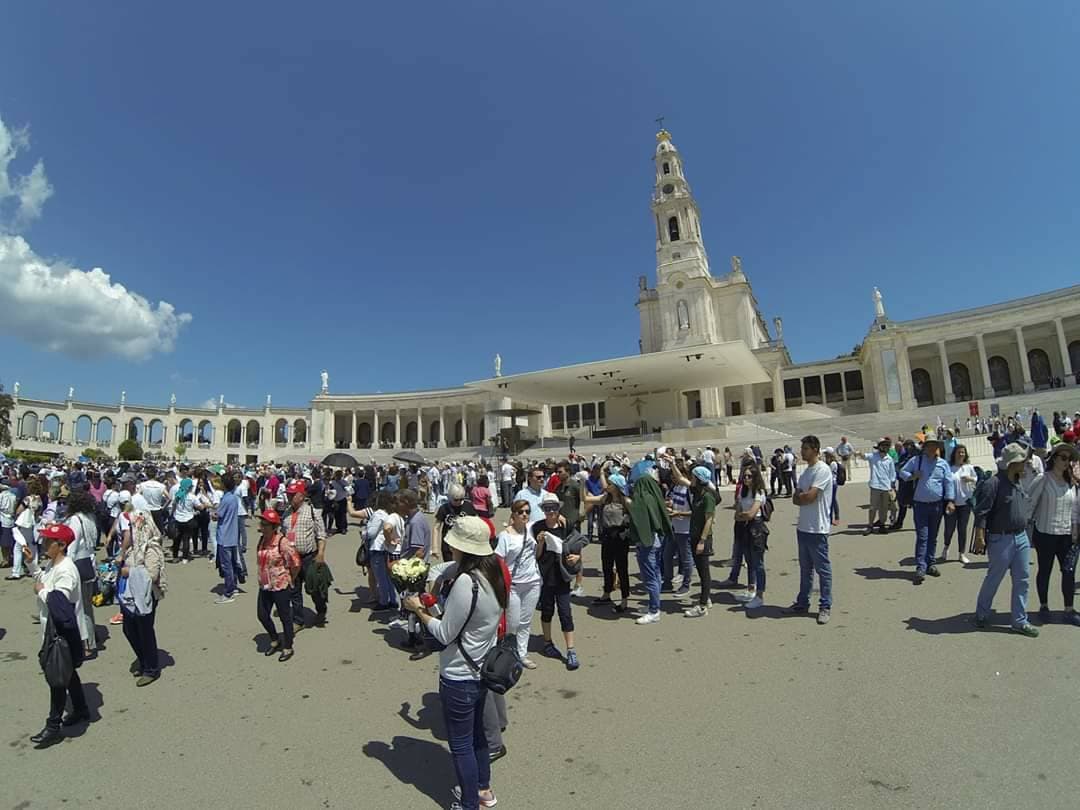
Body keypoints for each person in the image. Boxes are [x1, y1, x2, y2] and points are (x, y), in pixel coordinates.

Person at [402, 515, 506, 810]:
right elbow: (440, 570)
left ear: (463, 549)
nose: (451, 551)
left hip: (460, 674)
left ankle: (470, 803)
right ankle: (484, 791)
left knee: (461, 745)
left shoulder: (466, 582)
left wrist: (419, 611)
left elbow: (445, 633)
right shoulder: (494, 572)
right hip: (482, 667)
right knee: (478, 738)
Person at [25, 523, 90, 748]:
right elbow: (42, 578)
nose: (43, 544)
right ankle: (81, 709)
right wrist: (31, 563)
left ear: (61, 545)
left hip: (61, 633)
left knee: (57, 679)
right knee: (68, 674)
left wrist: (41, 591)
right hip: (52, 630)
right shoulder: (54, 563)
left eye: (48, 541)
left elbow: (59, 604)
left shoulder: (67, 570)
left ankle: (53, 726)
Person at [972, 443, 1039, 637]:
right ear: (1012, 463)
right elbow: (981, 513)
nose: (1025, 462)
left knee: (1023, 580)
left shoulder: (1018, 480)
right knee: (994, 578)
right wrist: (979, 536)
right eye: (1022, 460)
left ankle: (1019, 621)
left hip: (1021, 536)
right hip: (1000, 539)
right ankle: (982, 614)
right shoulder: (993, 483)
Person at [1026, 443, 1080, 626]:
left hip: (1066, 535)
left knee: (1069, 571)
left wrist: (1075, 530)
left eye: (1069, 459)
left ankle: (1069, 609)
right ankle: (1044, 606)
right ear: (1054, 458)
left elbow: (1073, 509)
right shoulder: (1043, 479)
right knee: (1045, 570)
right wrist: (1025, 529)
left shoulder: (1070, 482)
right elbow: (1030, 504)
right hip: (1045, 533)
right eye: (1063, 458)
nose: (1066, 462)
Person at [785, 435, 834, 625]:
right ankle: (802, 602)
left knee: (823, 569)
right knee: (805, 569)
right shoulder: (806, 472)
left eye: (805, 448)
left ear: (815, 450)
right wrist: (801, 496)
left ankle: (825, 605)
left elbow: (809, 497)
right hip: (803, 527)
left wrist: (801, 496)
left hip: (817, 528)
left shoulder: (822, 470)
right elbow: (795, 497)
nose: (802, 451)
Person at [898, 435, 956, 583]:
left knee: (933, 536)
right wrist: (912, 476)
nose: (932, 447)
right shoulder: (916, 461)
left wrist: (950, 501)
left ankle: (930, 563)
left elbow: (948, 483)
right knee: (922, 536)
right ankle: (921, 566)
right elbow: (902, 472)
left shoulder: (942, 464)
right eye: (930, 445)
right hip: (920, 505)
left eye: (935, 445)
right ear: (925, 447)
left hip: (937, 505)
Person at [119, 510, 167, 686]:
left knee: (144, 631)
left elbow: (152, 575)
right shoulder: (132, 547)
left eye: (132, 526)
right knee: (129, 629)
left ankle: (151, 668)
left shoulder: (151, 547)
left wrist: (129, 572)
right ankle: (143, 659)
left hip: (146, 596)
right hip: (130, 596)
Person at [534, 491, 581, 668]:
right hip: (545, 575)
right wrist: (539, 543)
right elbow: (537, 556)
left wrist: (577, 557)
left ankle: (571, 650)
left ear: (558, 509)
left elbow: (577, 543)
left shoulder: (566, 525)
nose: (550, 512)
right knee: (547, 611)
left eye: (553, 508)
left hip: (562, 576)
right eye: (547, 508)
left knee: (565, 612)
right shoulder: (538, 527)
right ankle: (547, 642)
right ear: (543, 510)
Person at [495, 499, 542, 669]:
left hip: (532, 582)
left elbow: (536, 554)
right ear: (513, 514)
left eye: (527, 511)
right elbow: (499, 561)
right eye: (520, 512)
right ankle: (507, 653)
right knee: (512, 623)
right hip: (513, 585)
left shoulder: (531, 531)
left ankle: (522, 654)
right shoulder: (505, 536)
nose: (524, 515)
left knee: (525, 621)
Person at [282, 481, 329, 629]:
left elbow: (321, 535)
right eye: (288, 494)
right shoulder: (286, 513)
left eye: (293, 494)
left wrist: (320, 554)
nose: (289, 497)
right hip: (292, 558)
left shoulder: (313, 512)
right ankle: (298, 620)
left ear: (301, 496)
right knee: (294, 590)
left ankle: (321, 611)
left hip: (309, 556)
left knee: (314, 588)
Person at [628, 468, 672, 626]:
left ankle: (654, 611)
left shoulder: (642, 500)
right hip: (657, 540)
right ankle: (655, 605)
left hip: (647, 542)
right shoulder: (654, 497)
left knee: (650, 578)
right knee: (656, 574)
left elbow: (638, 521)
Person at [255, 509, 300, 661]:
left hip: (280, 585)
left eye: (265, 524)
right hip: (265, 585)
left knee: (285, 617)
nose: (261, 526)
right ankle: (275, 638)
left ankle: (288, 646)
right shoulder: (261, 540)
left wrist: (289, 578)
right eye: (261, 523)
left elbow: (295, 563)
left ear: (273, 527)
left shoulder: (282, 542)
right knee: (262, 615)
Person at [586, 473, 633, 614]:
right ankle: (607, 593)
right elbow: (585, 498)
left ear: (617, 486)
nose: (607, 485)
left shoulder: (626, 501)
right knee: (606, 565)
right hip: (607, 536)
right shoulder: (606, 499)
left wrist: (627, 533)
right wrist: (583, 482)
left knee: (622, 568)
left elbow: (636, 518)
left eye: (610, 484)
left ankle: (624, 600)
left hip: (620, 536)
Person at [64, 490, 100, 656]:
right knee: (86, 605)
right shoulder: (90, 516)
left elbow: (72, 543)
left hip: (78, 562)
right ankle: (92, 638)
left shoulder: (75, 519)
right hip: (90, 561)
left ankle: (88, 643)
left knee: (81, 607)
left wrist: (66, 566)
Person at [732, 464, 767, 612]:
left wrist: (743, 515)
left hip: (756, 528)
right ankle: (751, 589)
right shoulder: (743, 491)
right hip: (744, 528)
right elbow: (737, 513)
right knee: (749, 560)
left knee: (758, 563)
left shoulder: (758, 492)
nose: (746, 478)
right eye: (744, 476)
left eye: (749, 476)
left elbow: (751, 513)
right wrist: (742, 515)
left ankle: (760, 595)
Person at [684, 465, 718, 617]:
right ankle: (706, 597)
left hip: (702, 538)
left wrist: (702, 541)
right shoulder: (699, 494)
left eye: (693, 477)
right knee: (700, 570)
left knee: (704, 572)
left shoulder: (707, 496)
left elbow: (709, 520)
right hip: (694, 535)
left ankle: (702, 605)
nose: (691, 479)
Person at [662, 458, 693, 597]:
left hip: (685, 529)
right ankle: (667, 582)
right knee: (667, 555)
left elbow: (695, 512)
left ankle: (686, 585)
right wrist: (669, 504)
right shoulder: (675, 487)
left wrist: (679, 513)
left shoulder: (689, 488)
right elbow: (675, 503)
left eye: (674, 476)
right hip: (674, 527)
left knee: (686, 558)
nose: (672, 478)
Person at [941, 444, 977, 564]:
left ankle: (961, 553)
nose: (961, 454)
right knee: (949, 528)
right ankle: (946, 548)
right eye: (959, 452)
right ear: (954, 454)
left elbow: (977, 479)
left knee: (962, 529)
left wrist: (970, 479)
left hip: (965, 503)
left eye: (963, 452)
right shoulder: (949, 468)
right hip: (951, 503)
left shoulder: (969, 467)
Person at [214, 473, 242, 604]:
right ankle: (233, 586)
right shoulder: (233, 498)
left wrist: (212, 512)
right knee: (232, 563)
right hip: (232, 535)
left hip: (224, 536)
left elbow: (217, 515)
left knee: (227, 565)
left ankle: (229, 591)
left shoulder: (226, 499)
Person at [862, 438, 897, 535]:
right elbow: (864, 456)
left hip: (886, 487)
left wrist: (892, 486)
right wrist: (858, 453)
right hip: (875, 485)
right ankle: (870, 525)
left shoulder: (889, 459)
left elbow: (892, 474)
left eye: (887, 445)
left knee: (884, 508)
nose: (885, 447)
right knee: (873, 507)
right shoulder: (873, 456)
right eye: (883, 445)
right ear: (879, 446)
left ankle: (882, 524)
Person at [435, 484, 477, 562]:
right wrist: (435, 547)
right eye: (456, 499)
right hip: (448, 545)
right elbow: (436, 528)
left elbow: (475, 524)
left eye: (461, 499)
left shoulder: (468, 506)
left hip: (465, 544)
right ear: (450, 497)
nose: (459, 502)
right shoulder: (444, 508)